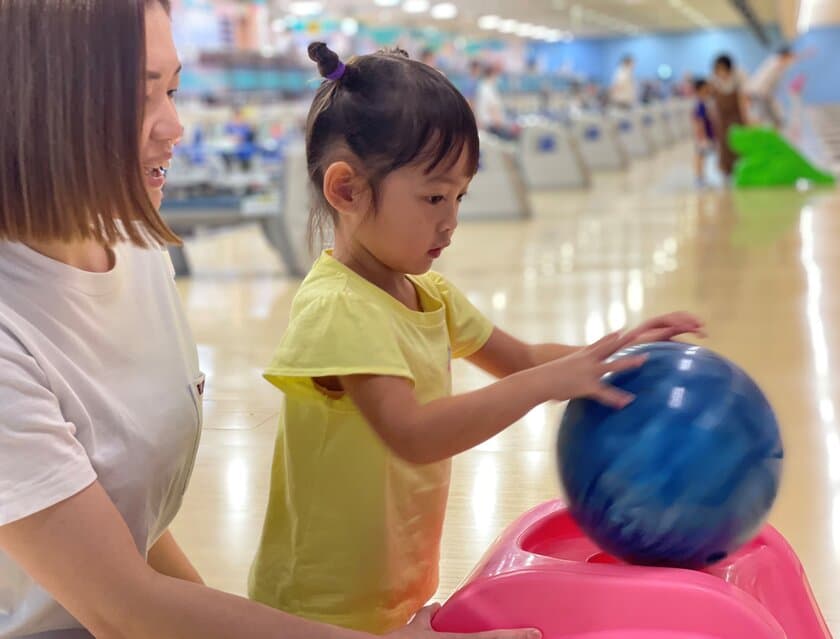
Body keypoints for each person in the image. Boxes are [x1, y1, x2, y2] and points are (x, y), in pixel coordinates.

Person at [0, 3, 539, 639]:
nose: (175, 125)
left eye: (173, 89)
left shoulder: (134, 247)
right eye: (140, 97)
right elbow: (122, 607)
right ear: (36, 105)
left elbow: (120, 527)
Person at [248, 41, 706, 636]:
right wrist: (545, 385)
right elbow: (413, 434)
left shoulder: (429, 295)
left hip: (390, 597)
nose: (451, 221)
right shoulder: (338, 306)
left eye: (459, 197)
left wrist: (622, 355)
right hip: (317, 611)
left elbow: (521, 359)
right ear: (347, 191)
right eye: (434, 197)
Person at [745, 46, 809, 129]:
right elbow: (787, 61)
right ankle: (757, 133)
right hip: (759, 93)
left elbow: (788, 61)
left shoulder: (775, 62)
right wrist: (802, 55)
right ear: (784, 55)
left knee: (770, 118)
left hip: (761, 93)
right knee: (766, 118)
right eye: (788, 56)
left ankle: (772, 131)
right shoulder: (776, 61)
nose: (789, 60)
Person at [710, 54, 750, 178]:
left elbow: (743, 100)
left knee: (740, 142)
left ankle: (744, 169)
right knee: (725, 144)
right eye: (718, 70)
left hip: (737, 117)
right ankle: (728, 171)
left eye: (723, 69)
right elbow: (713, 103)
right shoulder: (714, 80)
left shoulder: (739, 76)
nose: (721, 73)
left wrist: (746, 119)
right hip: (722, 119)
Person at [692, 79, 715, 188]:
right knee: (700, 156)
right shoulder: (700, 104)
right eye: (706, 88)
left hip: (707, 135)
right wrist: (702, 136)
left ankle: (702, 177)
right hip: (703, 136)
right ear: (700, 90)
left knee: (703, 157)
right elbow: (699, 122)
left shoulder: (705, 103)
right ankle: (698, 177)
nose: (708, 90)